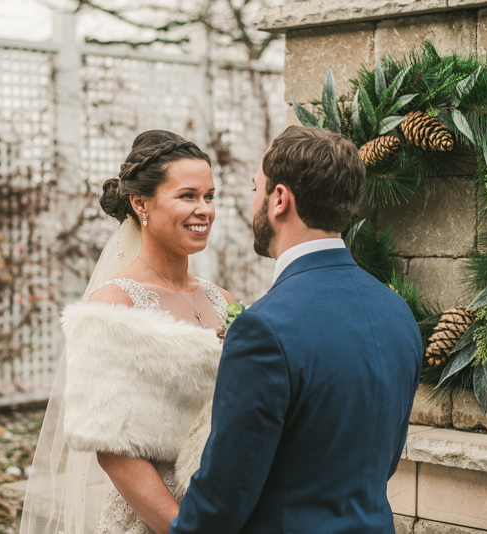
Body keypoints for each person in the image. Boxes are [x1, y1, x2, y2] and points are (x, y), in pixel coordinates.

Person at [170, 126, 423, 534]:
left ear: (280, 200)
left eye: (257, 189)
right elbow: (383, 459)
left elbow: (223, 496)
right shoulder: (397, 312)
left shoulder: (264, 330)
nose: (252, 201)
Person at [20, 130, 233, 534]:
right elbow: (114, 450)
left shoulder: (223, 300)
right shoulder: (113, 305)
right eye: (188, 196)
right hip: (156, 520)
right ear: (140, 203)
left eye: (210, 196)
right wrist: (184, 528)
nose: (204, 209)